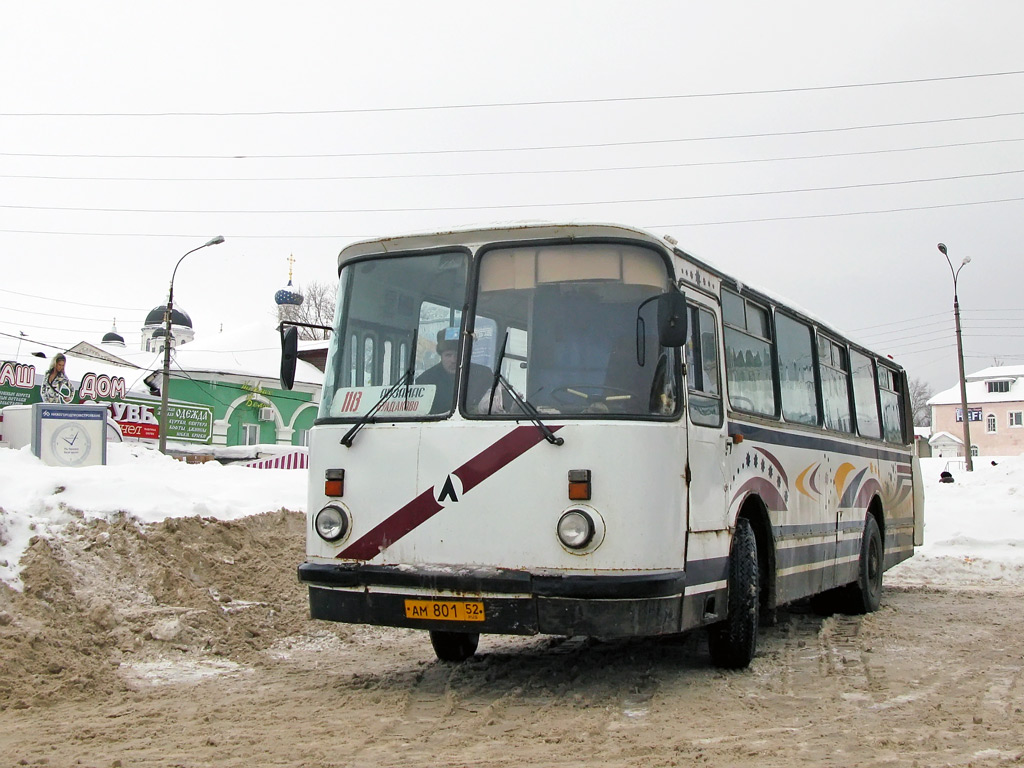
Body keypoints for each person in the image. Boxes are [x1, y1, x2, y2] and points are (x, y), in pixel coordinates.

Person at [417, 328, 498, 414]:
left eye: (458, 354)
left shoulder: (483, 375)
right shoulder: (425, 380)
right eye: (448, 355)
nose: (453, 360)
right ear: (441, 356)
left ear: (466, 355)